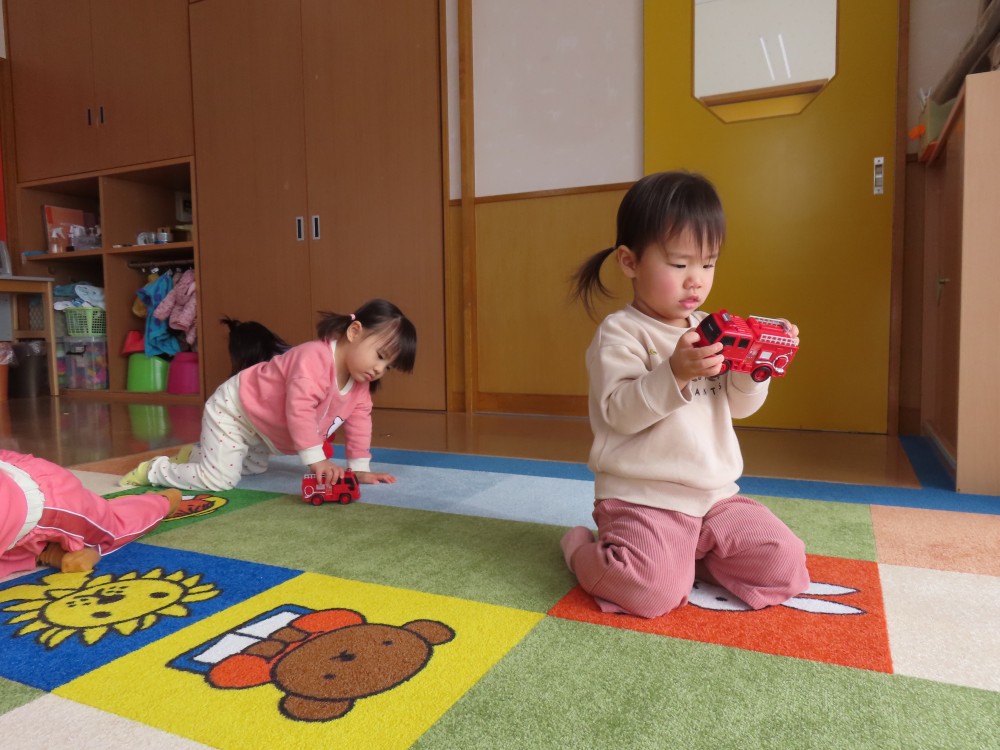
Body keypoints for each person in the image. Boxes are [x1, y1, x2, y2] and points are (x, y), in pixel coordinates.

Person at [562, 171, 810, 619]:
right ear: (630, 262)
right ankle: (580, 549)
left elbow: (739, 408)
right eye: (679, 265)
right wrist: (673, 372)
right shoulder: (621, 333)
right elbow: (617, 413)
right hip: (644, 498)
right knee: (649, 593)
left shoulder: (709, 328)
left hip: (714, 497)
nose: (696, 280)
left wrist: (757, 367)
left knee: (786, 565)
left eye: (708, 264)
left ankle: (688, 557)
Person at [120, 298, 416, 492]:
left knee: (253, 468)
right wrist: (317, 462)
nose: (380, 369)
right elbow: (299, 411)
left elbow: (360, 425)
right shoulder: (312, 360)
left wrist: (360, 469)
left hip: (262, 431)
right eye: (380, 356)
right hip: (235, 410)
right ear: (354, 332)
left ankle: (195, 456)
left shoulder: (360, 387)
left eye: (388, 366)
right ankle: (154, 471)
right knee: (220, 480)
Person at [1, 449, 182, 578]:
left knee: (112, 528)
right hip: (13, 484)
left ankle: (162, 502)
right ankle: (45, 551)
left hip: (51, 499)